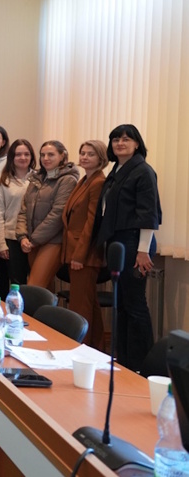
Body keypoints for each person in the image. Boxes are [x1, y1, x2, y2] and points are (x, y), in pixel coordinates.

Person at [94, 124, 162, 371]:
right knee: (121, 303)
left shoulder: (143, 171)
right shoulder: (117, 169)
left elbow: (148, 213)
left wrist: (143, 251)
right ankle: (124, 360)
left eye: (126, 139)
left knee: (135, 304)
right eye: (115, 139)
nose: (120, 143)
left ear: (136, 143)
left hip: (135, 243)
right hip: (118, 241)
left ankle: (142, 365)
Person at [62, 140, 108, 349]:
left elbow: (92, 222)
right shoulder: (84, 180)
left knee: (80, 306)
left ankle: (80, 348)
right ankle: (96, 347)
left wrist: (79, 255)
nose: (85, 157)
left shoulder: (98, 182)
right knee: (90, 304)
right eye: (82, 153)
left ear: (101, 158)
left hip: (85, 254)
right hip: (74, 248)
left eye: (91, 154)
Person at [16, 140, 78, 289]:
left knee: (33, 288)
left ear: (62, 156)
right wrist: (22, 236)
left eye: (51, 154)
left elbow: (57, 214)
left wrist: (34, 239)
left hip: (53, 241)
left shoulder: (67, 180)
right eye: (42, 155)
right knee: (44, 290)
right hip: (32, 241)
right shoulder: (36, 179)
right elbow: (23, 210)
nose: (45, 158)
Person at [0, 139, 36, 286]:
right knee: (17, 283)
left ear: (32, 156)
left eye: (26, 154)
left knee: (37, 283)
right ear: (12, 157)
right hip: (11, 238)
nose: (23, 158)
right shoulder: (3, 181)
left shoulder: (39, 179)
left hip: (35, 238)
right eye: (18, 154)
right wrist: (1, 243)